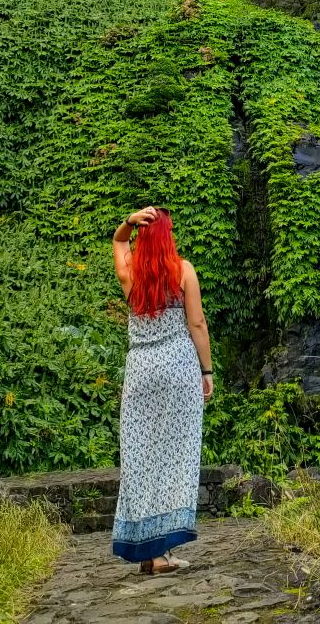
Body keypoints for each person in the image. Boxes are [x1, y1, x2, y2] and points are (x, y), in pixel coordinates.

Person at [110, 205, 214, 575]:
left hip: (140, 371)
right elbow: (197, 323)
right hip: (178, 369)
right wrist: (206, 370)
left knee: (140, 458)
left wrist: (128, 222)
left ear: (143, 235)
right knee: (175, 456)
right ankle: (162, 551)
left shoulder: (130, 272)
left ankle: (151, 552)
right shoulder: (183, 270)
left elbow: (118, 242)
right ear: (168, 237)